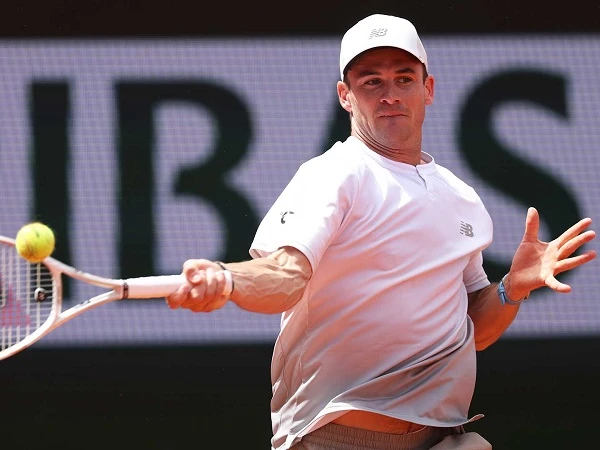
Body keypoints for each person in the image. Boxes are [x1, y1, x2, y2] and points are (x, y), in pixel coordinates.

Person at [166, 14, 596, 450]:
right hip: (334, 440)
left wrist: (512, 287)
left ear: (428, 89)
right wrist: (227, 279)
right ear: (346, 96)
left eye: (403, 78)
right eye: (371, 82)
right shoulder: (333, 175)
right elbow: (285, 274)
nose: (390, 94)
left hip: (440, 438)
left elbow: (475, 330)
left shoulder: (461, 197)